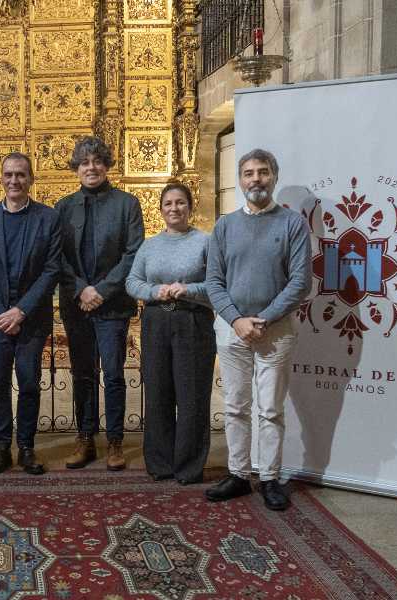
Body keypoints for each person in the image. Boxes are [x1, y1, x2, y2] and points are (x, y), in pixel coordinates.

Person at [204, 148, 312, 511]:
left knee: (270, 409)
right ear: (241, 179)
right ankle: (238, 474)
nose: (256, 179)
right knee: (235, 406)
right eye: (249, 173)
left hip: (276, 331)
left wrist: (263, 319)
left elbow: (300, 281)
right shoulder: (225, 225)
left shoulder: (292, 224)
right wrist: (236, 319)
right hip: (233, 329)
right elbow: (213, 280)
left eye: (263, 172)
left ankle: (269, 478)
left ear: (274, 177)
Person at [55, 136, 144, 471]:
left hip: (112, 304)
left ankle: (116, 442)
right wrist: (81, 290)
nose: (90, 168)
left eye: (96, 161)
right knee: (83, 374)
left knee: (114, 373)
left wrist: (101, 290)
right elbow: (58, 256)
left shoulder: (126, 204)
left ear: (106, 165)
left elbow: (133, 252)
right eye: (84, 162)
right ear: (76, 168)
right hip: (77, 304)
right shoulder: (64, 207)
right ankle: (85, 438)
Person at [0, 153, 62, 476]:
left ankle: (26, 446)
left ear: (31, 178)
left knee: (29, 383)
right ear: (1, 178)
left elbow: (51, 271)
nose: (14, 180)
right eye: (8, 174)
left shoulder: (48, 219)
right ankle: (0, 446)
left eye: (20, 175)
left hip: (31, 320)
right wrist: (0, 314)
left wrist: (21, 311)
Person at [126, 182, 215, 484]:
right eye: (168, 204)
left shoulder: (205, 241)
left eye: (180, 203)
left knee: (191, 396)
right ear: (160, 209)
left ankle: (188, 466)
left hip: (192, 322)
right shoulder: (149, 245)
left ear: (190, 207)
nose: (174, 208)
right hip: (156, 322)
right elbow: (132, 282)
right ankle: (160, 463)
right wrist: (153, 290)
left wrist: (188, 290)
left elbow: (218, 285)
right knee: (158, 394)